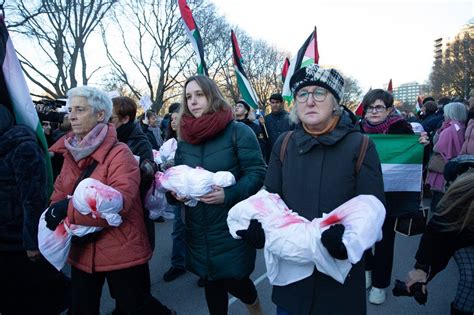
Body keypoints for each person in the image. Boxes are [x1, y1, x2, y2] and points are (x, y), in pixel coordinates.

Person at [254, 64, 385, 314]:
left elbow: (373, 208)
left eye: (319, 93)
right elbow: (270, 198)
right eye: (302, 94)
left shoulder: (361, 145)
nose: (310, 101)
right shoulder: (284, 144)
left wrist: (347, 241)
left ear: (335, 102)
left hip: (339, 277)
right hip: (292, 277)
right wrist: (257, 226)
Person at [47, 86, 174, 314]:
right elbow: (58, 193)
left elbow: (119, 205)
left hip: (120, 246)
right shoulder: (70, 152)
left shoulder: (120, 153)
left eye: (80, 109)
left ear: (100, 115)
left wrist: (67, 208)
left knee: (134, 307)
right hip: (82, 250)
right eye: (70, 109)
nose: (72, 115)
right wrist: (54, 210)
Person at [171, 75, 266, 314]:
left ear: (212, 95)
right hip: (197, 226)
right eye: (188, 96)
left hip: (230, 224)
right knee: (211, 281)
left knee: (235, 280)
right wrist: (176, 194)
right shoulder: (184, 139)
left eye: (199, 95)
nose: (193, 101)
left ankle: (254, 306)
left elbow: (257, 173)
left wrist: (229, 194)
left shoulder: (239, 131)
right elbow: (178, 177)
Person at [359, 89, 429, 305]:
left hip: (391, 196)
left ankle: (380, 285)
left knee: (384, 241)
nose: (373, 111)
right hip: (359, 195)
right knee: (359, 238)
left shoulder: (402, 129)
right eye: (370, 107)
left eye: (379, 107)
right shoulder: (356, 129)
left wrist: (424, 146)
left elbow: (417, 160)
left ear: (389, 110)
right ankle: (367, 268)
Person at [0, 105, 70, 314]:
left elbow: (33, 198)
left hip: (17, 240)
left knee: (32, 298)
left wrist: (32, 241)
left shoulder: (22, 146)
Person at [405, 170, 474, 315]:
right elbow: (437, 228)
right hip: (465, 236)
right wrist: (421, 268)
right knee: (471, 277)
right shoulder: (467, 190)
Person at [110, 96, 157, 249]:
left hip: (133, 210)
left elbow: (148, 178)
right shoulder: (109, 138)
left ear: (125, 119)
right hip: (111, 210)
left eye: (111, 118)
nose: (105, 122)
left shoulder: (139, 141)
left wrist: (133, 166)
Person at [162, 103, 188, 283]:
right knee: (179, 229)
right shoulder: (168, 144)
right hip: (177, 194)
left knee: (199, 231)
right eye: (171, 118)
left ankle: (204, 270)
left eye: (176, 117)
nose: (173, 120)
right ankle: (178, 263)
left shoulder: (194, 142)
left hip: (195, 193)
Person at [426, 102, 467, 213]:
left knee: (437, 202)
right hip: (454, 168)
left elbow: (437, 148)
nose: (443, 115)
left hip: (442, 170)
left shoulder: (448, 130)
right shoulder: (462, 127)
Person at [261, 92, 293, 162]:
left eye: (277, 102)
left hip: (289, 155)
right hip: (272, 156)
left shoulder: (291, 118)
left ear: (282, 103)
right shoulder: (265, 120)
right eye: (272, 102)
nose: (275, 105)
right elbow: (263, 139)